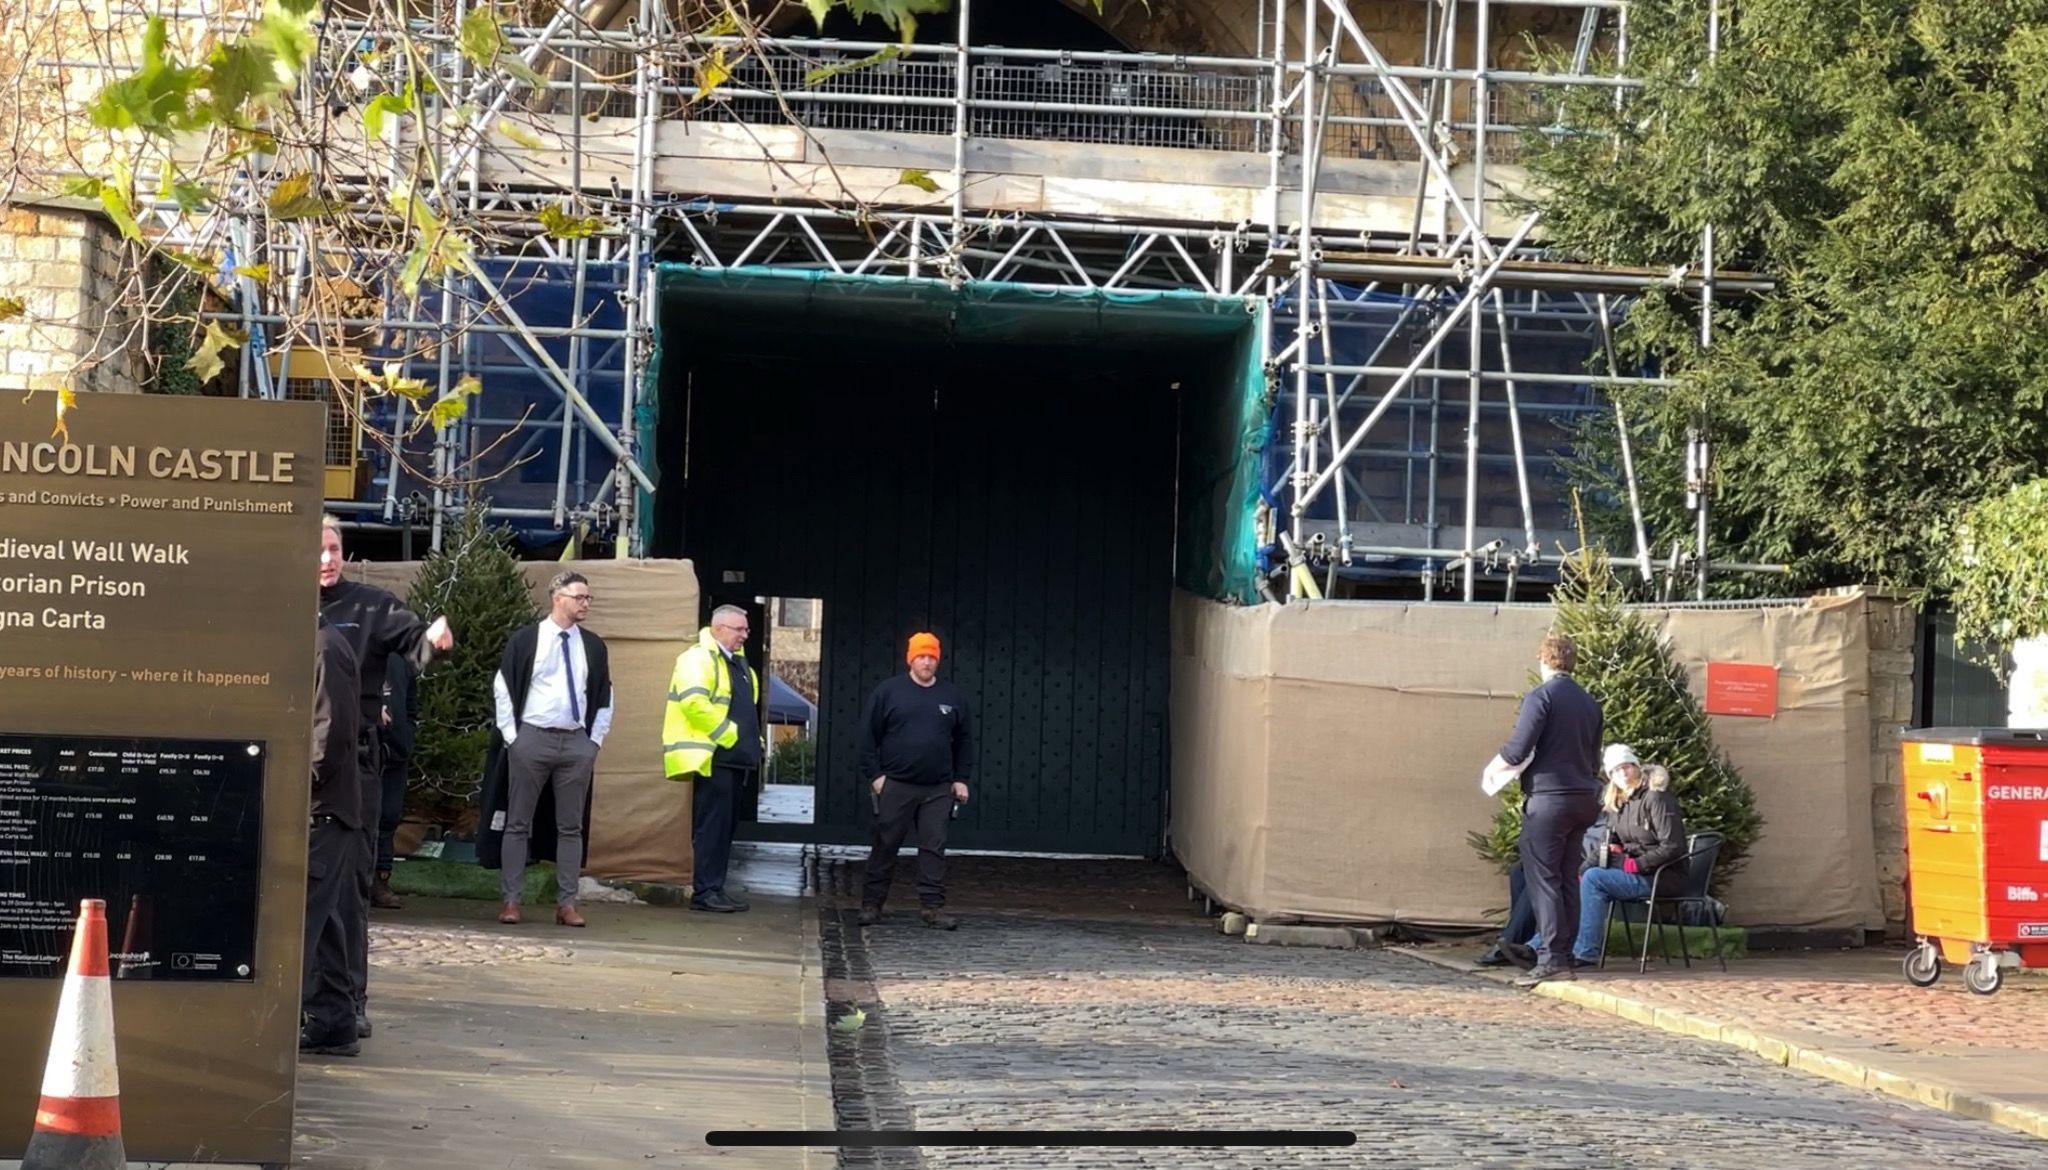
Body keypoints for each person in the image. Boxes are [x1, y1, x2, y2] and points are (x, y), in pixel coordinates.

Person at [318, 515, 454, 1039]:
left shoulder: (371, 606)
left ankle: (348, 1003)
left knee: (349, 888)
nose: (328, 560)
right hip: (292, 765)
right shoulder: (279, 604)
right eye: (318, 551)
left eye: (334, 549)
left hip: (353, 767)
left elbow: (417, 644)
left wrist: (436, 641)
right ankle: (308, 1003)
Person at [491, 571, 614, 927]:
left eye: (588, 598)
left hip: (576, 741)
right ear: (557, 598)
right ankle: (512, 900)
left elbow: (605, 695)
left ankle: (566, 904)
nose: (585, 603)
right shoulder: (527, 640)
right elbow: (503, 688)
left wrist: (594, 741)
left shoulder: (592, 645)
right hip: (532, 737)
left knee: (571, 826)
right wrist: (514, 737)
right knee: (517, 823)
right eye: (580, 597)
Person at [1497, 632, 1603, 987]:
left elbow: (1517, 751)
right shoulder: (1590, 703)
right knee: (1567, 876)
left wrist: (1497, 767)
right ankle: (1567, 953)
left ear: (1544, 661)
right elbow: (1593, 756)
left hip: (1549, 798)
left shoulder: (1540, 697)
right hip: (1584, 798)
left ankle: (1551, 957)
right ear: (1572, 663)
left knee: (1543, 878)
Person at [857, 632, 974, 930]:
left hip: (938, 787)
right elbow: (867, 737)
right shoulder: (889, 692)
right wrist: (876, 776)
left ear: (938, 659)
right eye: (921, 656)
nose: (927, 662)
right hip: (896, 783)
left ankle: (932, 908)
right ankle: (872, 905)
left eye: (932, 657)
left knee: (934, 847)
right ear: (911, 658)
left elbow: (963, 741)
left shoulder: (953, 697)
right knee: (885, 844)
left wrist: (961, 779)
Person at [663, 604, 760, 913]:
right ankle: (705, 892)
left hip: (735, 759)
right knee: (712, 828)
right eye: (739, 629)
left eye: (746, 629)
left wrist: (750, 742)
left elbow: (746, 709)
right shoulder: (698, 658)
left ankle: (715, 888)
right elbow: (693, 702)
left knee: (725, 828)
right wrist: (729, 735)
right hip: (714, 756)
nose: (745, 635)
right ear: (718, 629)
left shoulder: (738, 664)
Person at [303, 615, 363, 1057]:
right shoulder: (322, 641)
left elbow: (332, 728)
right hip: (324, 806)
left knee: (301, 918)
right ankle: (334, 1022)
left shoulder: (323, 645)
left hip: (319, 808)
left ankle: (282, 1026)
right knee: (321, 919)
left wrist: (302, 782)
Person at [1567, 754, 1687, 966]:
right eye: (1615, 770)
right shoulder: (1619, 804)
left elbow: (1673, 845)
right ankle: (1542, 947)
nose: (1622, 773)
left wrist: (1636, 864)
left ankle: (1585, 952)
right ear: (1610, 776)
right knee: (1578, 878)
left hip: (1662, 877)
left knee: (1595, 879)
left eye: (1627, 766)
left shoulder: (1656, 798)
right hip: (1634, 873)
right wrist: (1582, 870)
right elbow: (1610, 842)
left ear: (1637, 767)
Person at [372, 653, 418, 911]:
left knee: (389, 816)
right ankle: (358, 880)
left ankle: (381, 879)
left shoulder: (402, 659)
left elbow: (411, 702)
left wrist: (407, 733)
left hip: (396, 749)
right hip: (365, 748)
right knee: (364, 816)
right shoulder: (360, 644)